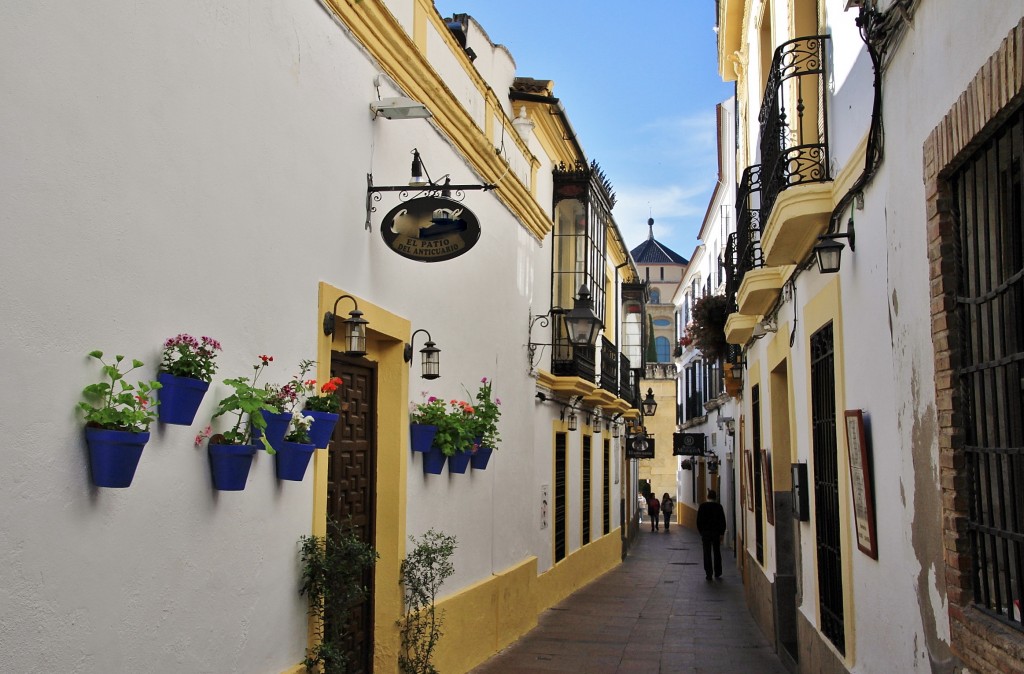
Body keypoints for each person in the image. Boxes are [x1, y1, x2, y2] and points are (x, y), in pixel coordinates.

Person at [696, 489, 727, 580]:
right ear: (715, 497)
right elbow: (722, 520)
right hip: (716, 533)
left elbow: (698, 521)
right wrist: (722, 533)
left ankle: (708, 573)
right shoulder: (719, 507)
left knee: (707, 553)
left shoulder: (702, 506)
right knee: (717, 552)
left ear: (707, 497)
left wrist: (701, 532)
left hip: (706, 533)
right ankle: (718, 572)